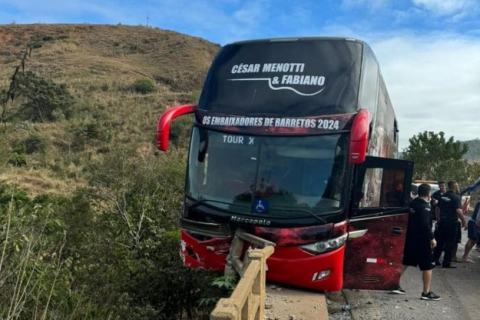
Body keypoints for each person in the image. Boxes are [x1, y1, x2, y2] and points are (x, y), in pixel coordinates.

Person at [392, 184, 441, 300]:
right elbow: (425, 225)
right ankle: (426, 293)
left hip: (410, 238)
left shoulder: (412, 204)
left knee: (406, 262)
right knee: (428, 266)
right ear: (428, 193)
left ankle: (392, 284)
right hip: (422, 241)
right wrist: (432, 238)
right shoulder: (425, 207)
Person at [433, 180, 468, 268]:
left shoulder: (443, 196)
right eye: (457, 185)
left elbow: (437, 208)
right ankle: (446, 262)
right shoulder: (455, 197)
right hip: (451, 223)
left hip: (442, 222)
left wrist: (438, 219)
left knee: (440, 241)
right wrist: (464, 222)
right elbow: (458, 211)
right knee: (450, 242)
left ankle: (435, 260)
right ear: (455, 186)